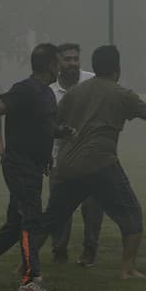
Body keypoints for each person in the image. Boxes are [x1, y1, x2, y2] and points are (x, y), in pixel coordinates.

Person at [43, 45, 146, 279]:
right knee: (132, 216)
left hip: (68, 165)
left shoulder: (75, 93)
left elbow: (51, 125)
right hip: (101, 164)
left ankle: (24, 265)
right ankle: (127, 269)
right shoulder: (121, 94)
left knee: (51, 217)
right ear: (117, 68)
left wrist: (64, 132)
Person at [0, 43, 72, 291]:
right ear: (50, 65)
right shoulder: (25, 89)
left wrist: (60, 132)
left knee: (16, 224)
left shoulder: (45, 93)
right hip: (19, 165)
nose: (63, 67)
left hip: (33, 166)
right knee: (31, 220)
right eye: (59, 62)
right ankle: (29, 280)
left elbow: (43, 125)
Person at [47, 43, 104, 266]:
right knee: (59, 207)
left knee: (93, 206)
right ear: (57, 63)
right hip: (60, 158)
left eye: (75, 59)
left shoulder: (93, 81)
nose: (72, 63)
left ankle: (90, 250)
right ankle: (59, 250)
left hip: (91, 157)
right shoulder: (50, 90)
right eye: (67, 59)